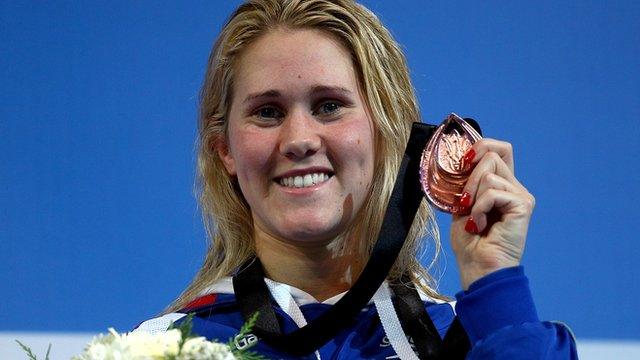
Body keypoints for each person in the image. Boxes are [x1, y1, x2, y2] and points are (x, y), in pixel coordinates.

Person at [135, 0, 578, 358]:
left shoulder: (471, 341)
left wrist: (494, 276)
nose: (299, 139)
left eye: (329, 105)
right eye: (267, 112)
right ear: (226, 150)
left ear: (388, 133)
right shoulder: (160, 349)